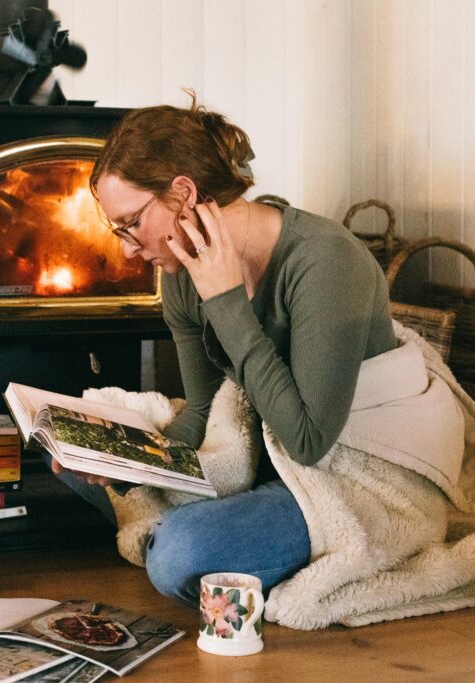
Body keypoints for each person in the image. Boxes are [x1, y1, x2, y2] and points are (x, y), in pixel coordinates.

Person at [48, 94, 398, 608]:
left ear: (183, 194)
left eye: (131, 224)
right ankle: (217, 534)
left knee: (178, 554)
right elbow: (207, 412)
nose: (126, 248)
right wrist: (123, 463)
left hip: (339, 476)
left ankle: (199, 535)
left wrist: (227, 301)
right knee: (63, 445)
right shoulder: (181, 276)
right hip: (257, 463)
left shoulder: (326, 262)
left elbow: (307, 442)